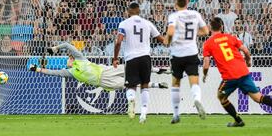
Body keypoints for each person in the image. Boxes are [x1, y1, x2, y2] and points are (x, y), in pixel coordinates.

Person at [202, 17, 272, 127]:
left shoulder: (208, 43)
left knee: (221, 96)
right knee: (258, 97)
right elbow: (246, 51)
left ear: (210, 27)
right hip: (243, 72)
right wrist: (248, 61)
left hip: (230, 77)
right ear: (222, 27)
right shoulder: (231, 37)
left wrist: (205, 75)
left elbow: (206, 64)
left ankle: (238, 120)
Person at [29, 41, 169, 90]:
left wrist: (54, 49)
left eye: (69, 57)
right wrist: (38, 69)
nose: (69, 58)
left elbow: (67, 45)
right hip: (104, 82)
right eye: (68, 58)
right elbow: (54, 73)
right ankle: (157, 85)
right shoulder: (71, 72)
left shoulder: (81, 58)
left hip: (106, 70)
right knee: (129, 84)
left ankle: (159, 70)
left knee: (131, 67)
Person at [113, 2, 164, 123]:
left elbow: (118, 42)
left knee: (131, 86)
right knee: (145, 85)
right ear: (139, 11)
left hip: (131, 58)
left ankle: (131, 99)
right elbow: (162, 40)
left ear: (128, 12)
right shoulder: (148, 23)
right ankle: (143, 115)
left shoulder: (124, 23)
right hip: (146, 58)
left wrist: (115, 58)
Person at [165, 0, 209, 124]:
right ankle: (197, 99)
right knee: (194, 82)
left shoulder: (174, 16)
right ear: (187, 2)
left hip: (177, 54)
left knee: (176, 84)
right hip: (191, 53)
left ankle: (176, 114)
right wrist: (194, 34)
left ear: (176, 4)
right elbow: (206, 31)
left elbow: (171, 32)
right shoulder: (195, 14)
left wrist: (168, 40)